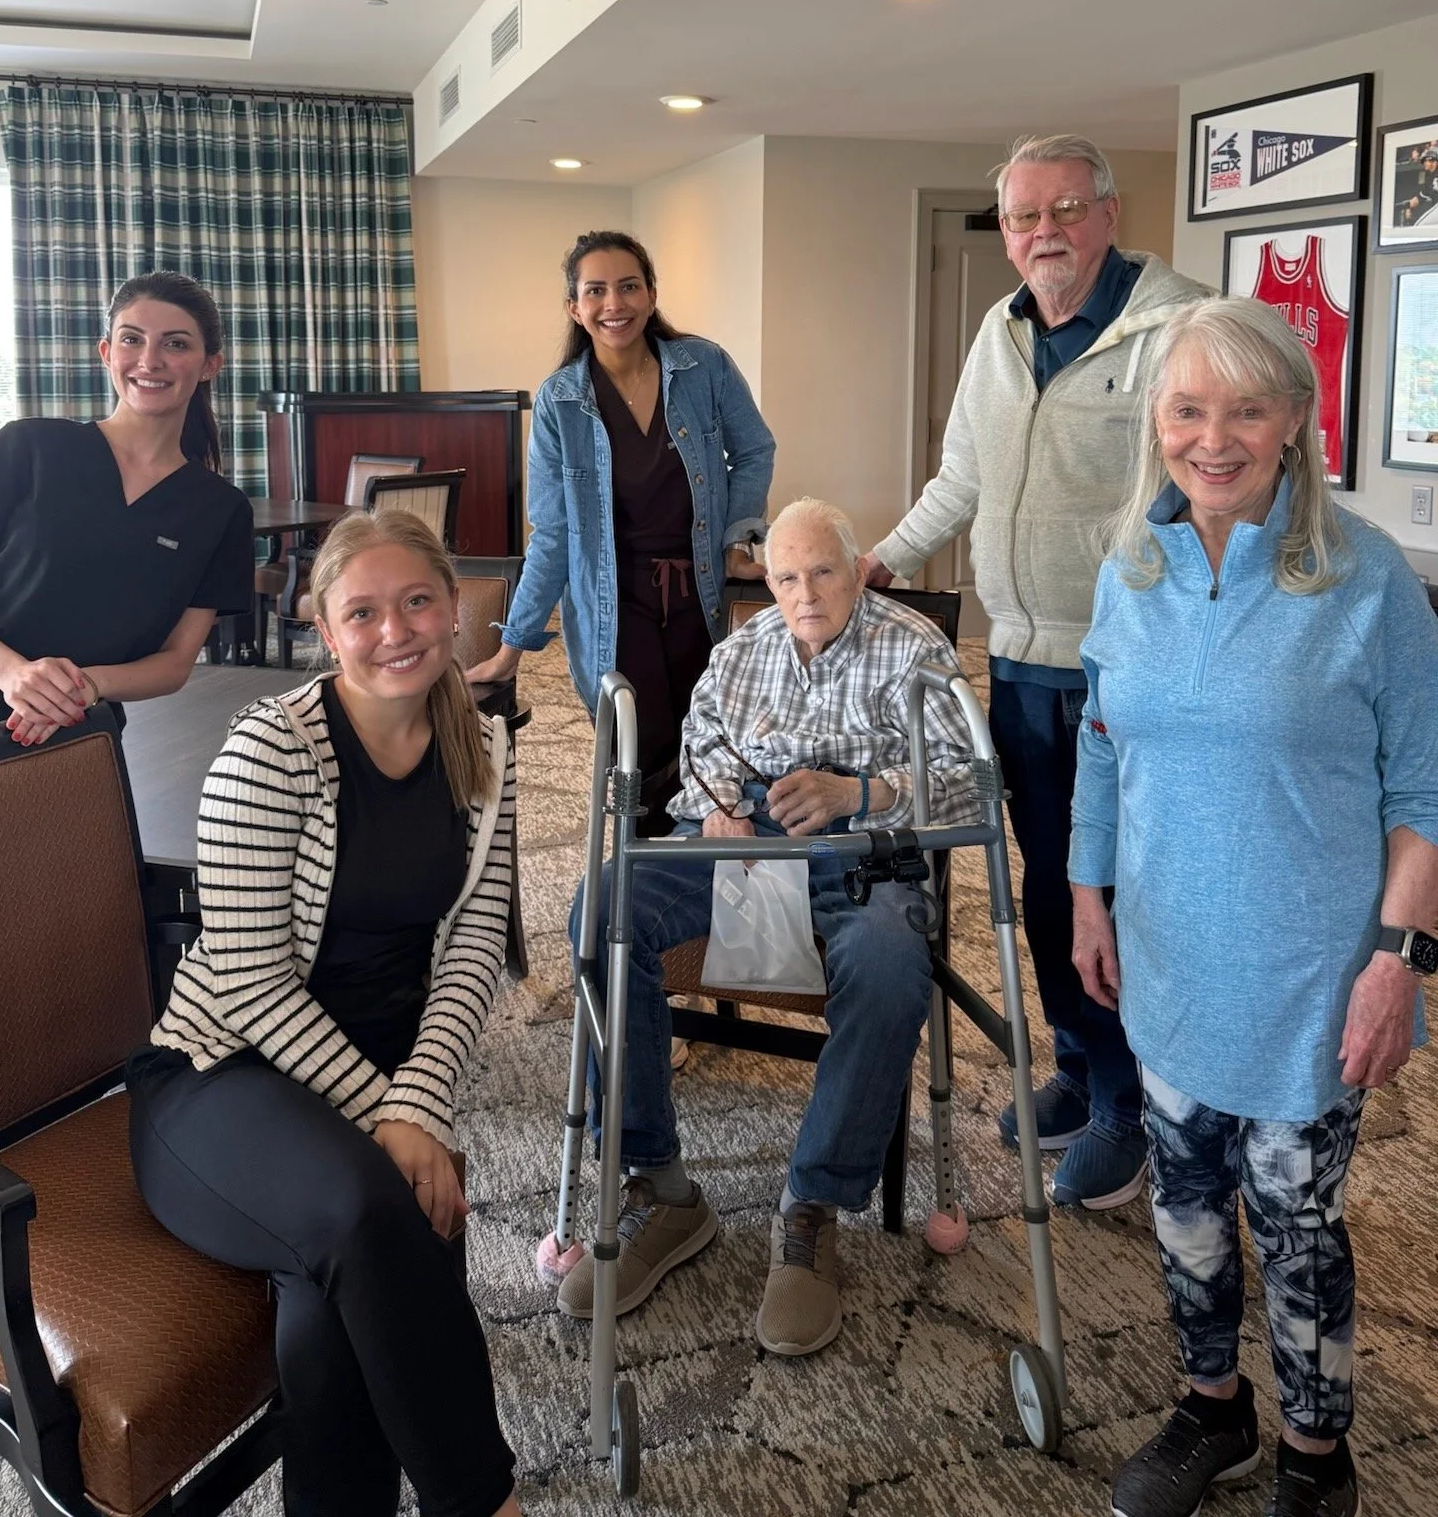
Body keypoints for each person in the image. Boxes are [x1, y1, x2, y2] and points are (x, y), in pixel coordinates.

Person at [1070, 297, 1438, 1517]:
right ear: (1158, 425)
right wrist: (1088, 891)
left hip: (1309, 977)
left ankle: (1317, 1458)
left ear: (1295, 421)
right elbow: (1105, 744)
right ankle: (1213, 1407)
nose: (1212, 437)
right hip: (1170, 958)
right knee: (1182, 1207)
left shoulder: (1366, 579)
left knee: (1296, 1227)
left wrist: (1398, 959)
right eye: (1187, 409)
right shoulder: (1131, 567)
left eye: (1245, 408)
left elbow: (1426, 791)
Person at [128, 510, 522, 1517]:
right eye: (363, 611)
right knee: (373, 1207)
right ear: (324, 626)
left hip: (375, 1082)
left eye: (418, 600)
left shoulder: (483, 748)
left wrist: (417, 1105)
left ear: (454, 607)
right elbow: (254, 983)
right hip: (222, 1076)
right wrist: (390, 1113)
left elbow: (475, 945)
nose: (395, 629)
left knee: (338, 1301)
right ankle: (484, 1501)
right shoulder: (273, 746)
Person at [862, 134, 1211, 1210]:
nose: (1042, 234)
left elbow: (1207, 486)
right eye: (1022, 218)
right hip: (1016, 658)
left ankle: (1132, 1104)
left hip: (1126, 671)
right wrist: (883, 560)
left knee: (1114, 890)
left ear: (1108, 211)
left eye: (1064, 210)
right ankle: (1076, 1059)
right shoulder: (1000, 328)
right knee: (1045, 881)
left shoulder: (1178, 326)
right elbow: (962, 474)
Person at [556, 498, 977, 1357]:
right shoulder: (743, 649)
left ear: (856, 569)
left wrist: (856, 794)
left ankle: (812, 1204)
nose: (805, 592)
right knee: (600, 912)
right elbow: (702, 742)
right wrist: (716, 807)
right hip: (739, 831)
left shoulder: (914, 649)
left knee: (895, 963)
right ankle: (660, 1187)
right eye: (785, 577)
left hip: (863, 843)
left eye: (823, 571)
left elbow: (969, 782)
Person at [468, 230, 774, 832]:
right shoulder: (561, 402)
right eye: (597, 290)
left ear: (652, 293)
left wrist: (739, 537)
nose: (616, 304)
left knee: (716, 743)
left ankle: (720, 888)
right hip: (615, 606)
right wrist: (514, 647)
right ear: (574, 308)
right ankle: (650, 891)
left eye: (629, 286)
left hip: (704, 594)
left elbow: (755, 449)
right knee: (639, 753)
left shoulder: (703, 366)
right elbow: (552, 533)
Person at [0, 269, 254, 746]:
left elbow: (174, 663)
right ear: (107, 352)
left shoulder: (221, 510)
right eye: (132, 339)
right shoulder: (28, 447)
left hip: (83, 729)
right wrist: (15, 676)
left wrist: (87, 687)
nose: (149, 361)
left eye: (175, 344)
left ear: (210, 364)